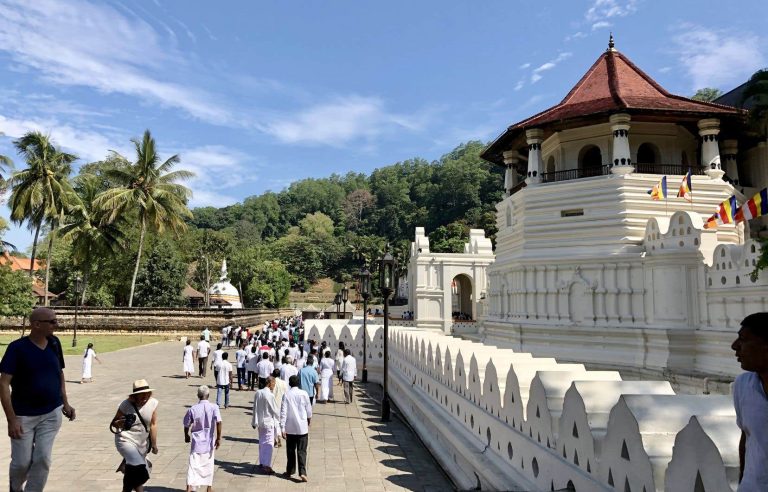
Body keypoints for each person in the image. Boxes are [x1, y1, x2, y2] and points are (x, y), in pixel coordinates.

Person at [0, 307, 76, 492]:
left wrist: (65, 402)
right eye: (52, 322)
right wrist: (12, 419)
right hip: (23, 415)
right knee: (22, 463)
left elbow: (59, 374)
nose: (56, 325)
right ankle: (15, 488)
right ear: (36, 324)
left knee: (43, 459)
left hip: (51, 413)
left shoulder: (54, 343)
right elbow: (3, 384)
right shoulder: (17, 348)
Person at [731, 312, 768, 490]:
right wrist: (742, 481)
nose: (735, 346)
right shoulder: (743, 385)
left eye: (744, 340)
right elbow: (746, 436)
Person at [111, 379, 158, 492]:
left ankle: (128, 477)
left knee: (133, 470)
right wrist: (119, 422)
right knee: (139, 468)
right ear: (134, 396)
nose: (145, 398)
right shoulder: (125, 404)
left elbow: (153, 424)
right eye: (141, 396)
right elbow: (113, 422)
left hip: (142, 442)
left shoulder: (153, 403)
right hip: (125, 439)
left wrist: (154, 444)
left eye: (147, 394)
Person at [183, 385, 221, 492]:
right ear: (208, 395)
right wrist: (218, 438)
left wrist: (186, 435)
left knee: (193, 464)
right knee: (209, 464)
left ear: (198, 396)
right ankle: (209, 487)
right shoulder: (214, 407)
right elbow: (219, 422)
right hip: (209, 441)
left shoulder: (192, 409)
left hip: (196, 441)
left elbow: (186, 424)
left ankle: (189, 487)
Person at [280, 375, 312, 482]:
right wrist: (309, 419)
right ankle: (302, 472)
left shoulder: (286, 395)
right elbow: (308, 409)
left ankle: (290, 470)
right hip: (302, 427)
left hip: (290, 427)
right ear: (299, 383)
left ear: (290, 384)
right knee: (302, 450)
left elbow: (283, 412)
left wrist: (282, 427)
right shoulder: (304, 394)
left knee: (290, 450)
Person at [252, 376, 279, 474]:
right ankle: (266, 465)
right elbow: (275, 410)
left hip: (260, 422)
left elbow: (254, 407)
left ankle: (262, 462)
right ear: (270, 383)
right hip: (268, 422)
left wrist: (254, 421)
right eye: (274, 383)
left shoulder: (258, 392)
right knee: (268, 444)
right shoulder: (269, 395)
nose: (274, 386)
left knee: (262, 443)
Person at [271, 368, 287, 449]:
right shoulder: (284, 383)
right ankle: (279, 435)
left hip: (274, 404)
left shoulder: (272, 382)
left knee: (274, 422)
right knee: (279, 422)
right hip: (281, 404)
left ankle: (276, 437)